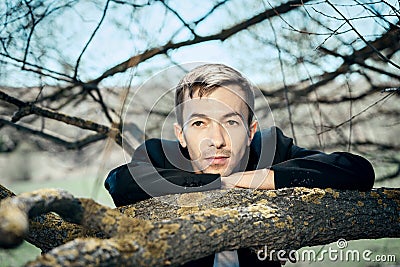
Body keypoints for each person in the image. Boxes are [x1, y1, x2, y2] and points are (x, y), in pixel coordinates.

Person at [105, 64, 375, 266]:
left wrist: (263, 178)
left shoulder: (272, 149)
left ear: (250, 131)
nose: (217, 140)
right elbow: (120, 182)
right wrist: (218, 184)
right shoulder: (158, 154)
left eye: (231, 122)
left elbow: (357, 170)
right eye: (199, 123)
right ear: (181, 134)